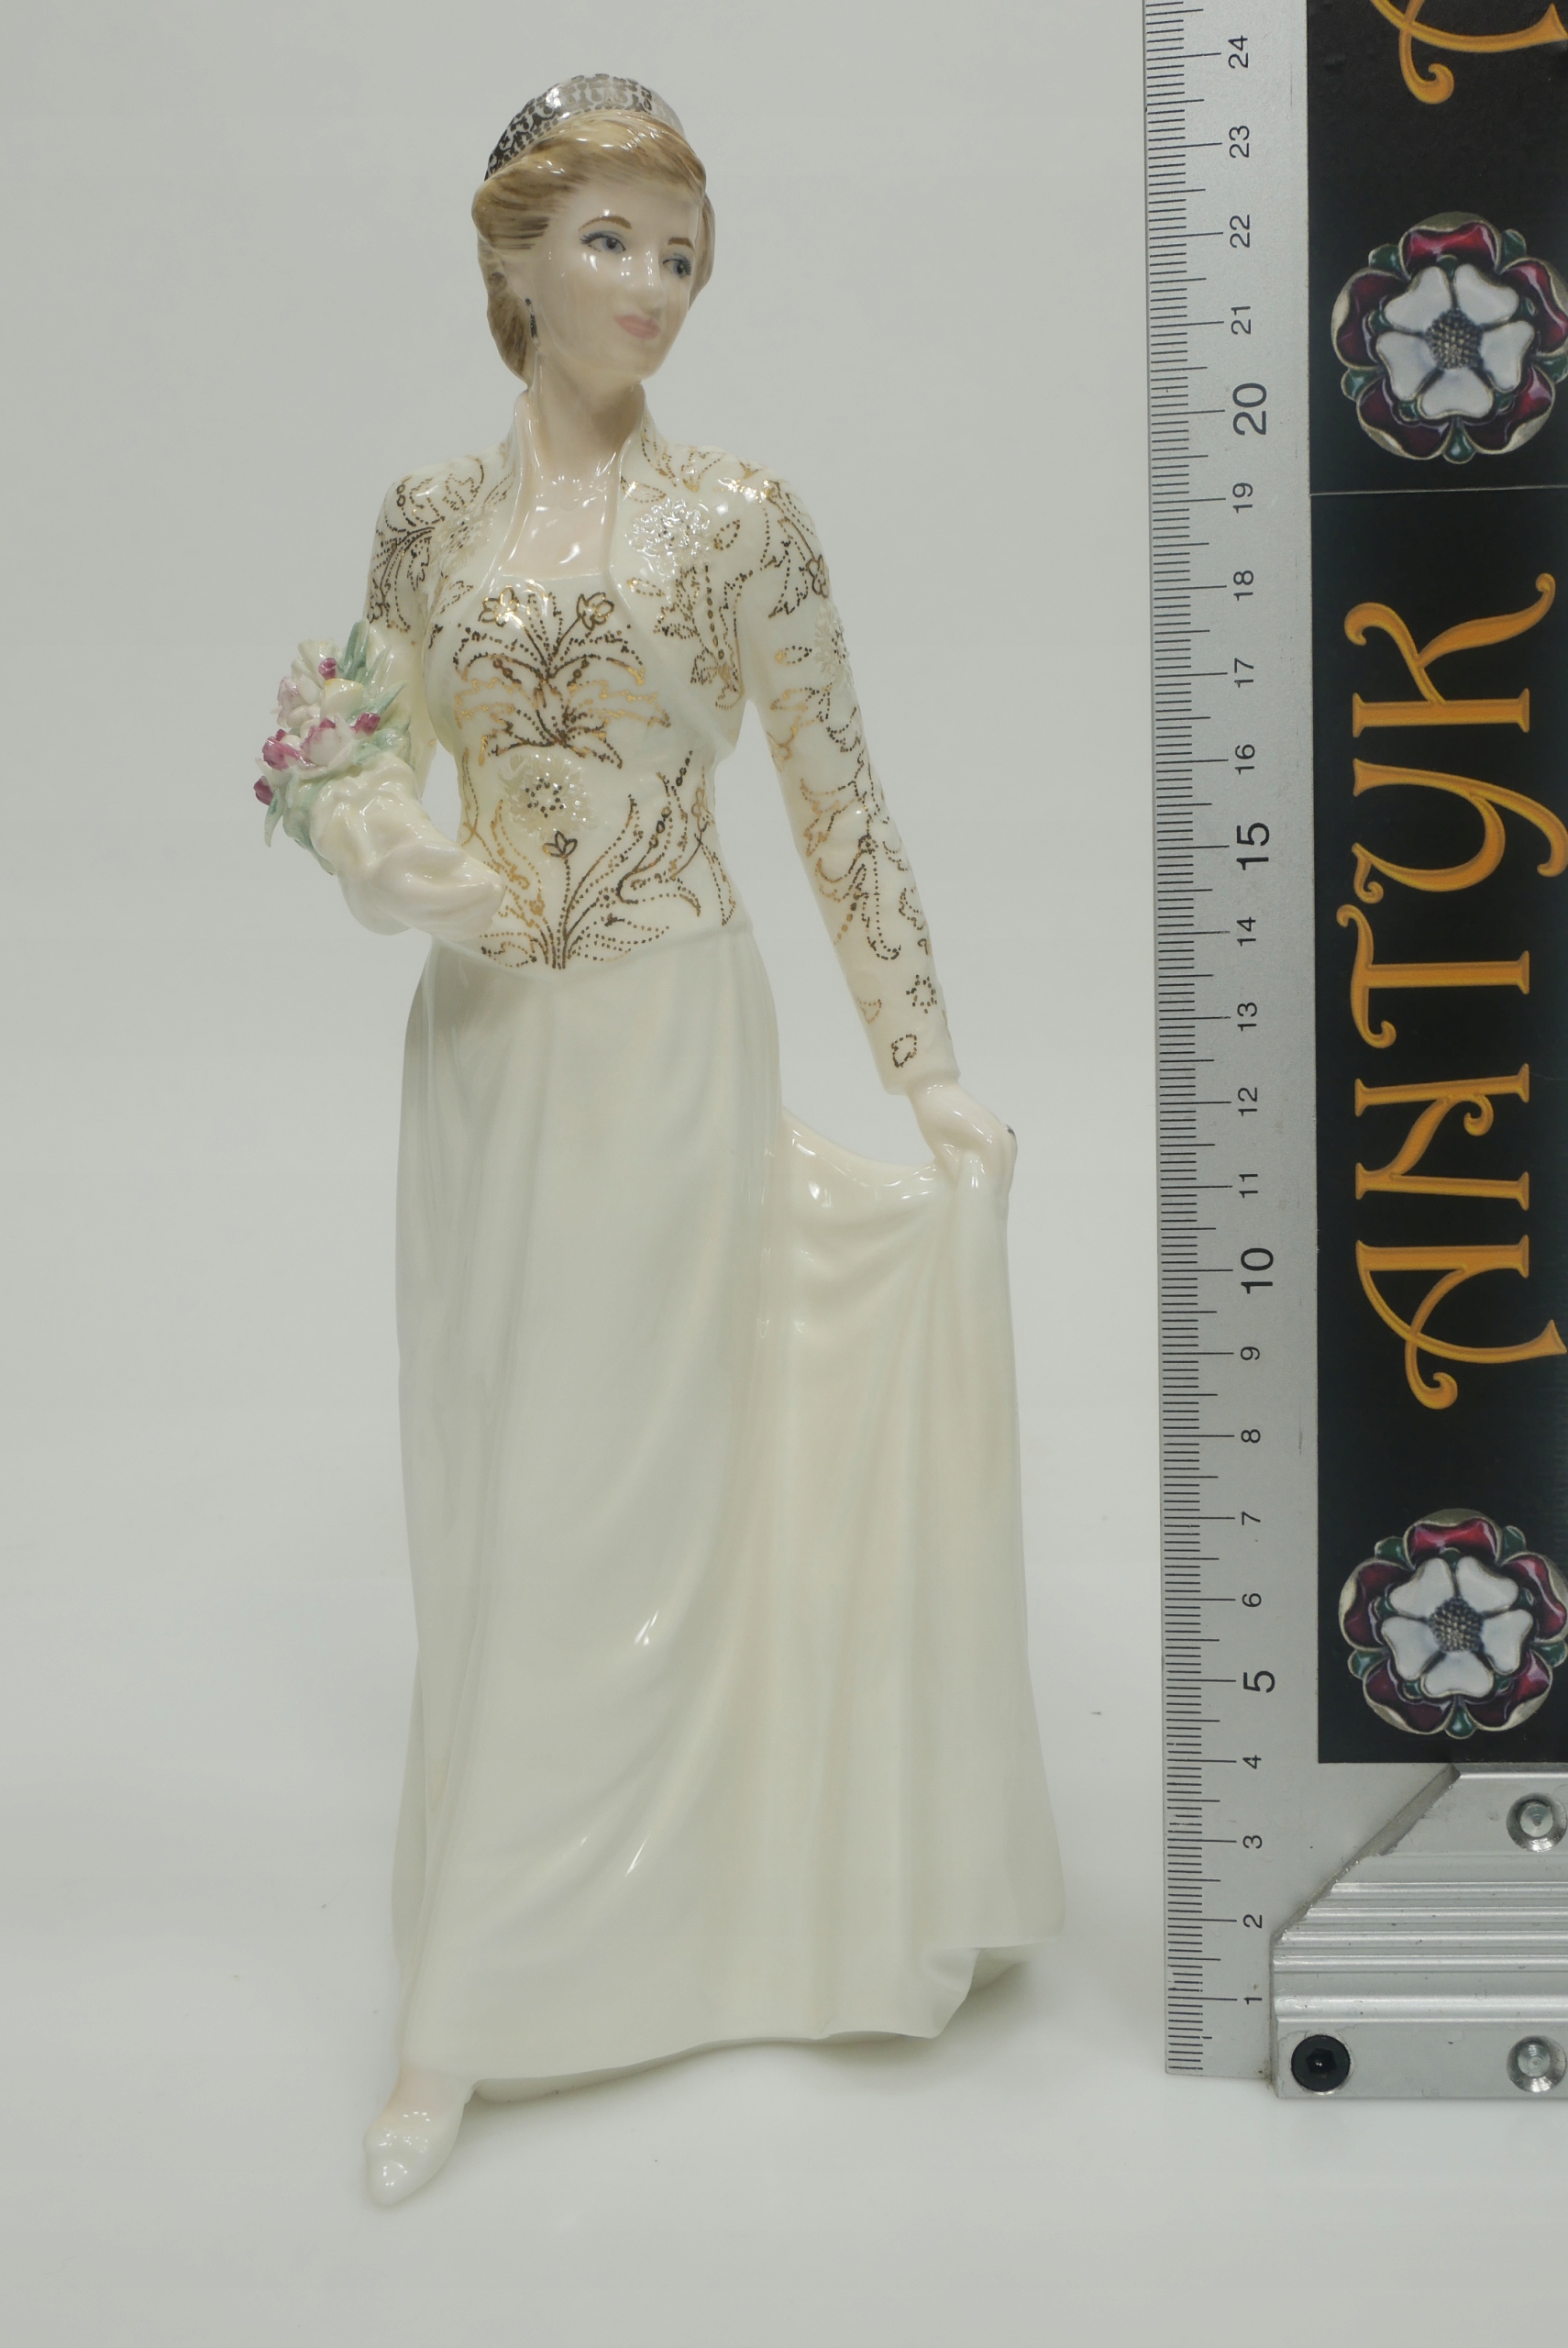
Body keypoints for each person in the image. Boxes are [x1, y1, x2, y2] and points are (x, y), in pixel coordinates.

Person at [257, 76, 1062, 2206]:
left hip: (670, 1030)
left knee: (610, 1494)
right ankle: (525, 1950)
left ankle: (471, 2007)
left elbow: (838, 796)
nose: (653, 285)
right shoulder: (425, 518)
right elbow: (351, 735)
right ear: (514, 257)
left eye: (682, 252)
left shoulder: (739, 519)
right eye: (611, 238)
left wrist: (925, 1062)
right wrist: (374, 843)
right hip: (485, 1053)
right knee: (492, 1484)